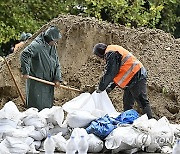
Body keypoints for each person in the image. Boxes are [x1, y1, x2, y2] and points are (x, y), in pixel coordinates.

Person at [93, 43, 153, 119]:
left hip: (136, 75)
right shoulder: (113, 51)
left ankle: (151, 121)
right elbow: (115, 73)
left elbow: (110, 73)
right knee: (127, 104)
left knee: (142, 101)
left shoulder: (111, 53)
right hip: (132, 79)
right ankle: (128, 122)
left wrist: (101, 87)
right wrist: (107, 89)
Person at [20, 26, 62, 111]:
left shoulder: (52, 47)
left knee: (46, 109)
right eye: (55, 40)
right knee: (36, 109)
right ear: (50, 38)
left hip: (48, 83)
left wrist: (57, 78)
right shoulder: (37, 45)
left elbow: (57, 63)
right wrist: (25, 71)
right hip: (37, 83)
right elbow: (24, 54)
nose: (56, 43)